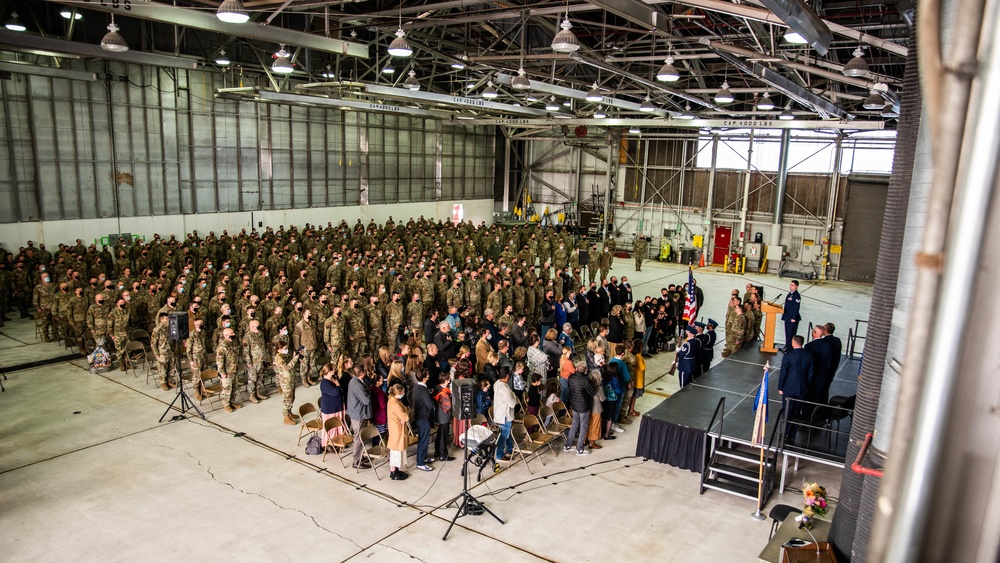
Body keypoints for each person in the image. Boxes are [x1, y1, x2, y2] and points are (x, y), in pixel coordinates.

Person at [779, 336, 814, 441]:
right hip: (802, 388)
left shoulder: (788, 356)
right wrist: (807, 386)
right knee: (797, 412)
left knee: (787, 410)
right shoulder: (809, 356)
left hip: (789, 387)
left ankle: (785, 433)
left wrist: (780, 387)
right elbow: (810, 373)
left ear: (794, 342)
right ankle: (792, 435)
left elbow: (783, 373)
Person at [564, 361, 595, 456]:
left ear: (576, 368)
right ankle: (580, 449)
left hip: (574, 405)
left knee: (574, 424)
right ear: (586, 370)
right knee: (583, 427)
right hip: (583, 406)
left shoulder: (571, 377)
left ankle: (567, 445)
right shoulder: (586, 380)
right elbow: (592, 393)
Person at [347, 364, 373, 469]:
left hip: (357, 413)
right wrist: (370, 392)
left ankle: (359, 456)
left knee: (360, 437)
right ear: (362, 373)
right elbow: (366, 400)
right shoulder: (357, 385)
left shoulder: (354, 381)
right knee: (359, 438)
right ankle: (356, 462)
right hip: (359, 415)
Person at [804, 323, 835, 404]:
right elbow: (829, 362)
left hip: (810, 378)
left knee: (807, 399)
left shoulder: (808, 346)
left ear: (814, 332)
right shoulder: (828, 346)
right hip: (822, 376)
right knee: (817, 398)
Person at [412, 369, 436, 472]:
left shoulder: (417, 387)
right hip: (423, 417)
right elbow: (430, 405)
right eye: (427, 375)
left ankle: (423, 457)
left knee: (424, 439)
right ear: (425, 377)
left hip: (420, 416)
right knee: (423, 440)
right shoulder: (423, 389)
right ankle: (420, 462)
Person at [386, 383, 410, 480]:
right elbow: (406, 417)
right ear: (399, 393)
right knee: (396, 451)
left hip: (395, 429)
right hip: (397, 431)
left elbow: (404, 409)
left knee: (397, 451)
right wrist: (404, 415)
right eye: (403, 392)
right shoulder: (395, 404)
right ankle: (393, 472)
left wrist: (404, 413)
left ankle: (396, 470)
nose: (403, 394)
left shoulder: (392, 400)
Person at [273, 340, 300, 425]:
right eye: (285, 348)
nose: (286, 349)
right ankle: (285, 417)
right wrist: (295, 359)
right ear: (279, 349)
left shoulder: (284, 355)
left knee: (292, 397)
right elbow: (287, 367)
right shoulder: (279, 358)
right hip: (285, 381)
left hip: (290, 379)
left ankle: (289, 412)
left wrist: (293, 357)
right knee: (287, 399)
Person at [319, 362, 345, 448]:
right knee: (332, 427)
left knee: (338, 426)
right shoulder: (325, 383)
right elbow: (336, 392)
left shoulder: (333, 379)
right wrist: (338, 385)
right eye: (333, 369)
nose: (335, 371)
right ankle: (329, 444)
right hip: (330, 409)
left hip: (337, 407)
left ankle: (338, 441)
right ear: (329, 371)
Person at [493, 367, 516, 463]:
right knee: (503, 436)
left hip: (498, 412)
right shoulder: (505, 389)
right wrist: (514, 395)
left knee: (506, 434)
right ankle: (500, 455)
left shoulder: (497, 383)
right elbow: (512, 403)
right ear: (507, 376)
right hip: (505, 415)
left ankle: (510, 450)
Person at [433, 371, 456, 462]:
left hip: (439, 414)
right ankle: (443, 454)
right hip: (444, 415)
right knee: (444, 435)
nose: (450, 380)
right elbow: (448, 406)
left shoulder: (437, 388)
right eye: (449, 379)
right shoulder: (444, 393)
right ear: (446, 381)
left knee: (440, 434)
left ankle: (437, 451)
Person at [782, 280, 802, 352]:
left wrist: (793, 317)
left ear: (796, 286)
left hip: (792, 318)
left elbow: (796, 308)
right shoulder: (790, 294)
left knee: (791, 334)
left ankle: (790, 348)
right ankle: (787, 345)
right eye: (790, 285)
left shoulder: (796, 295)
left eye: (792, 285)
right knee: (787, 332)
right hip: (787, 317)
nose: (790, 286)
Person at [628, 338, 645, 418]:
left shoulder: (634, 355)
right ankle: (631, 410)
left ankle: (631, 409)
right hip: (638, 380)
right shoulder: (638, 356)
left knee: (633, 396)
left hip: (636, 379)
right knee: (634, 396)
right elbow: (642, 367)